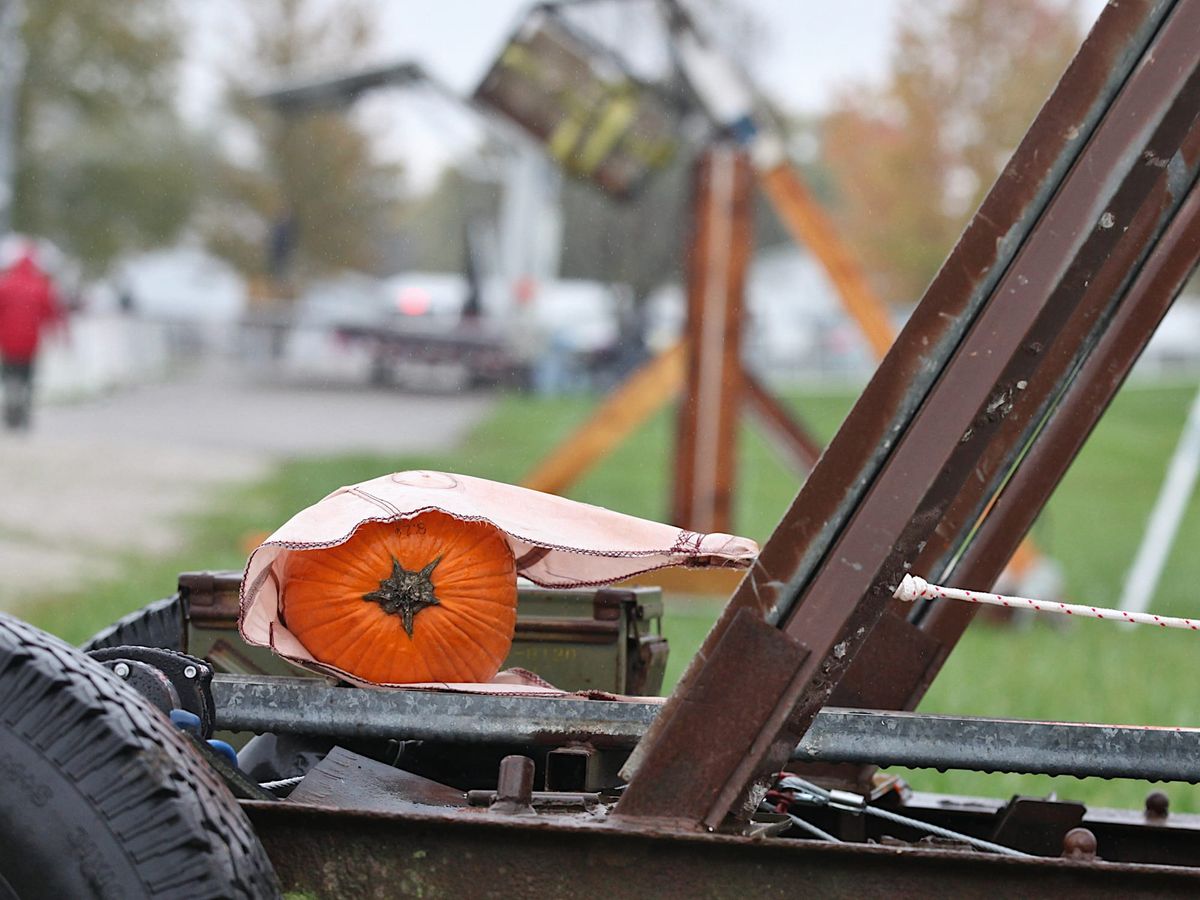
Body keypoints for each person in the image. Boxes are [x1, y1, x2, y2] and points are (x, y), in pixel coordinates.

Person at [0, 249, 64, 430]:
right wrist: (60, 336)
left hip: (7, 342)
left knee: (10, 376)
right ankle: (25, 414)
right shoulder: (41, 287)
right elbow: (52, 313)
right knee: (27, 378)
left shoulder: (4, 285)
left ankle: (12, 410)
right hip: (31, 342)